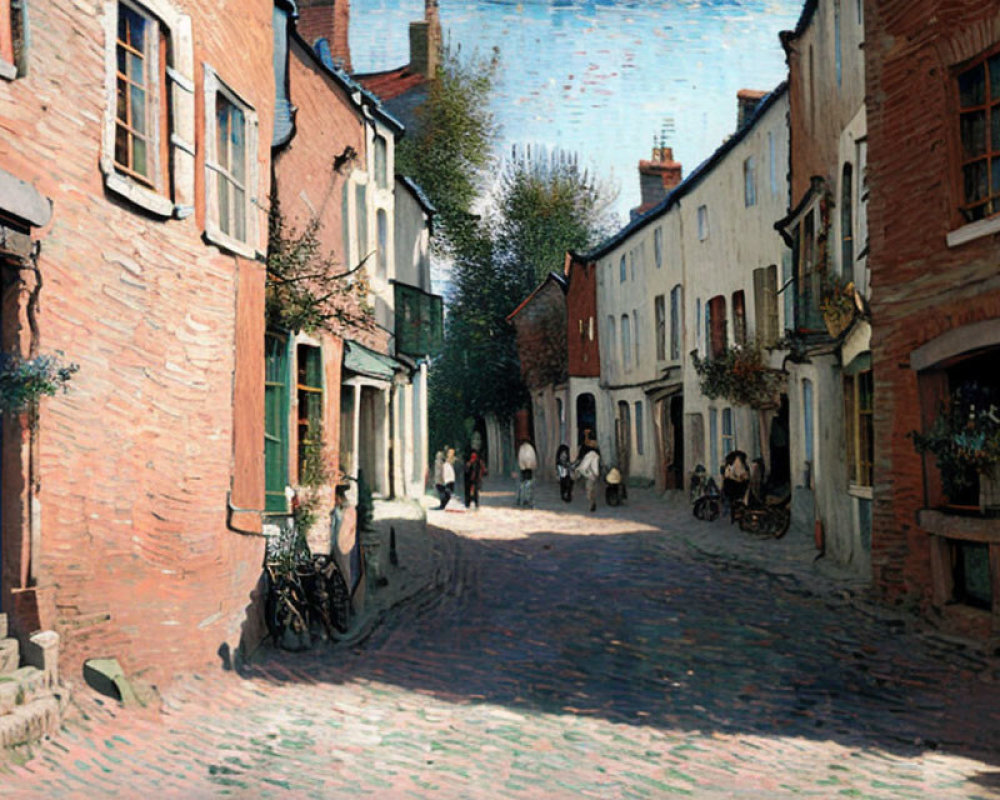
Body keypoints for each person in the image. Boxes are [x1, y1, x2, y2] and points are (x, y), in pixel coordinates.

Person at [577, 445, 601, 512]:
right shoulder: (596, 456)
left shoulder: (588, 456)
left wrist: (586, 474)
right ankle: (593, 503)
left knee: (589, 490)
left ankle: (592, 503)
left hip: (590, 476)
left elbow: (582, 468)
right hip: (595, 476)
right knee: (592, 490)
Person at [516, 439, 537, 508]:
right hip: (529, 468)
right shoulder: (530, 448)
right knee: (528, 483)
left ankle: (522, 499)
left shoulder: (522, 448)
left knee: (522, 483)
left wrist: (521, 466)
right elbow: (533, 459)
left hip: (523, 469)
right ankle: (527, 499)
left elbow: (520, 459)